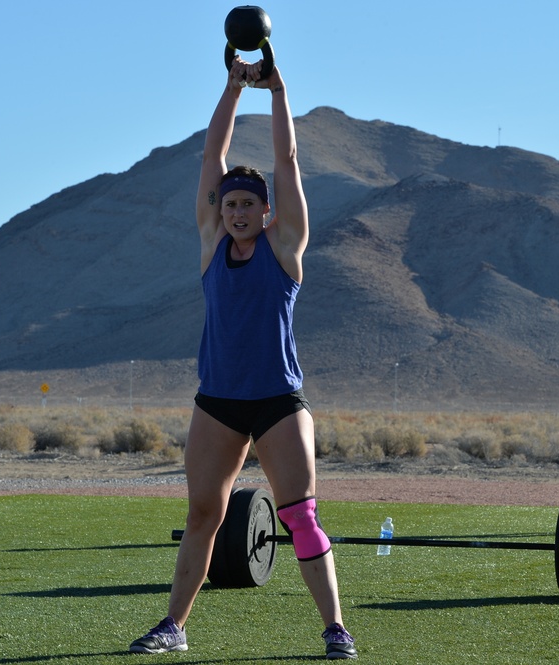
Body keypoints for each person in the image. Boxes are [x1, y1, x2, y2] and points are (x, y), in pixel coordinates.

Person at [129, 56, 357, 659]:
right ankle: (173, 627)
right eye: (228, 204)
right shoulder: (210, 247)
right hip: (219, 402)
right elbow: (211, 157)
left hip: (279, 402)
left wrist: (277, 92)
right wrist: (232, 89)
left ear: (266, 211)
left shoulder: (285, 248)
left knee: (300, 516)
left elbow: (287, 164)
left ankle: (335, 628)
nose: (235, 213)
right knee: (203, 512)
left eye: (246, 206)